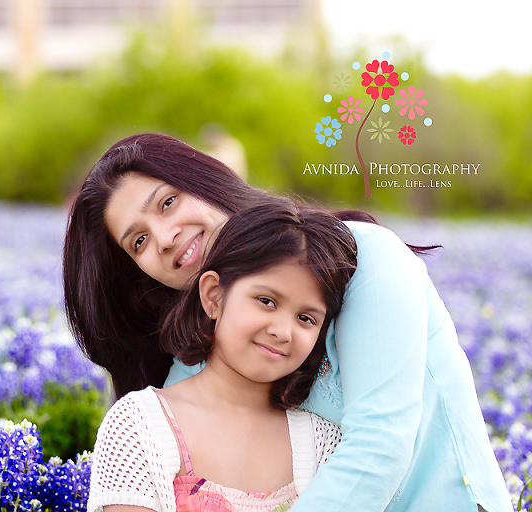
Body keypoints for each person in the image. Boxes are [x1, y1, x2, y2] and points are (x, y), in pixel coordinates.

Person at [63, 133, 511, 511]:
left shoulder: (366, 257)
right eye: (138, 241)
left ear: (207, 181)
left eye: (167, 202)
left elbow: (381, 443)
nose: (164, 238)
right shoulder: (191, 366)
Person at [88, 200, 356, 512]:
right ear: (214, 295)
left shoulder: (323, 443)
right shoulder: (139, 425)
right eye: (267, 301)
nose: (284, 331)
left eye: (306, 319)